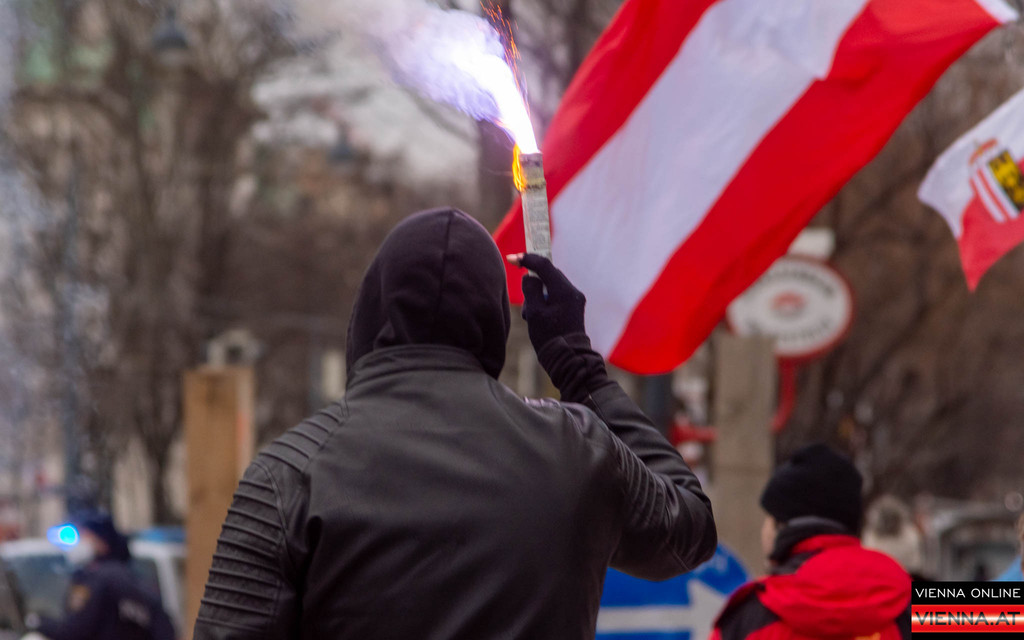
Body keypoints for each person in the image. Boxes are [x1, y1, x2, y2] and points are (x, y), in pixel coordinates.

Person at [193, 208, 717, 639]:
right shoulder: (576, 451)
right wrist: (579, 367)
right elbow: (690, 530)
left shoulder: (290, 473)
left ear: (370, 313)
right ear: (494, 322)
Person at [710, 444, 910, 640]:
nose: (764, 530)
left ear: (782, 526)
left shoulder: (744, 620)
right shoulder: (921, 606)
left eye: (768, 518)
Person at [32, 511, 175, 640]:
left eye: (84, 536)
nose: (77, 544)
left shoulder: (103, 579)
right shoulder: (116, 576)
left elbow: (75, 629)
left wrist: (37, 622)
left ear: (102, 543)